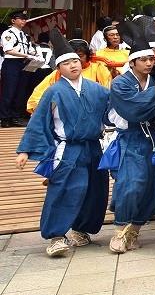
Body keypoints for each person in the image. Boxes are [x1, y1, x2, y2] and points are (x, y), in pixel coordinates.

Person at [14, 28, 110, 256]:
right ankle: (56, 236)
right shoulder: (53, 92)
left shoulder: (97, 89)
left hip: (94, 147)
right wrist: (25, 150)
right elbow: (39, 122)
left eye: (76, 61)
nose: (73, 66)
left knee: (95, 190)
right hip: (68, 149)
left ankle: (82, 230)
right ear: (59, 68)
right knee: (65, 189)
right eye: (67, 63)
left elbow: (115, 109)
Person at [107, 18, 155, 254]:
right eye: (143, 59)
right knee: (131, 184)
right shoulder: (121, 84)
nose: (148, 63)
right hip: (132, 138)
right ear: (132, 62)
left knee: (152, 186)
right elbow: (133, 110)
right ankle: (119, 231)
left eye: (151, 59)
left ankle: (134, 230)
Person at [27, 39, 111, 112]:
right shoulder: (57, 73)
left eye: (79, 57)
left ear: (87, 56)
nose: (73, 64)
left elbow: (107, 95)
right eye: (68, 61)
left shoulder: (99, 69)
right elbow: (36, 99)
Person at [1, 10, 38, 127]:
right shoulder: (8, 33)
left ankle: (16, 117)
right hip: (11, 63)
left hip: (24, 63)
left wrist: (34, 54)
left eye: (25, 18)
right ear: (13, 20)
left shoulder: (25, 35)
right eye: (21, 18)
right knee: (9, 91)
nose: (24, 21)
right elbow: (8, 50)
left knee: (20, 91)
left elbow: (30, 49)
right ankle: (5, 118)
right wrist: (27, 55)